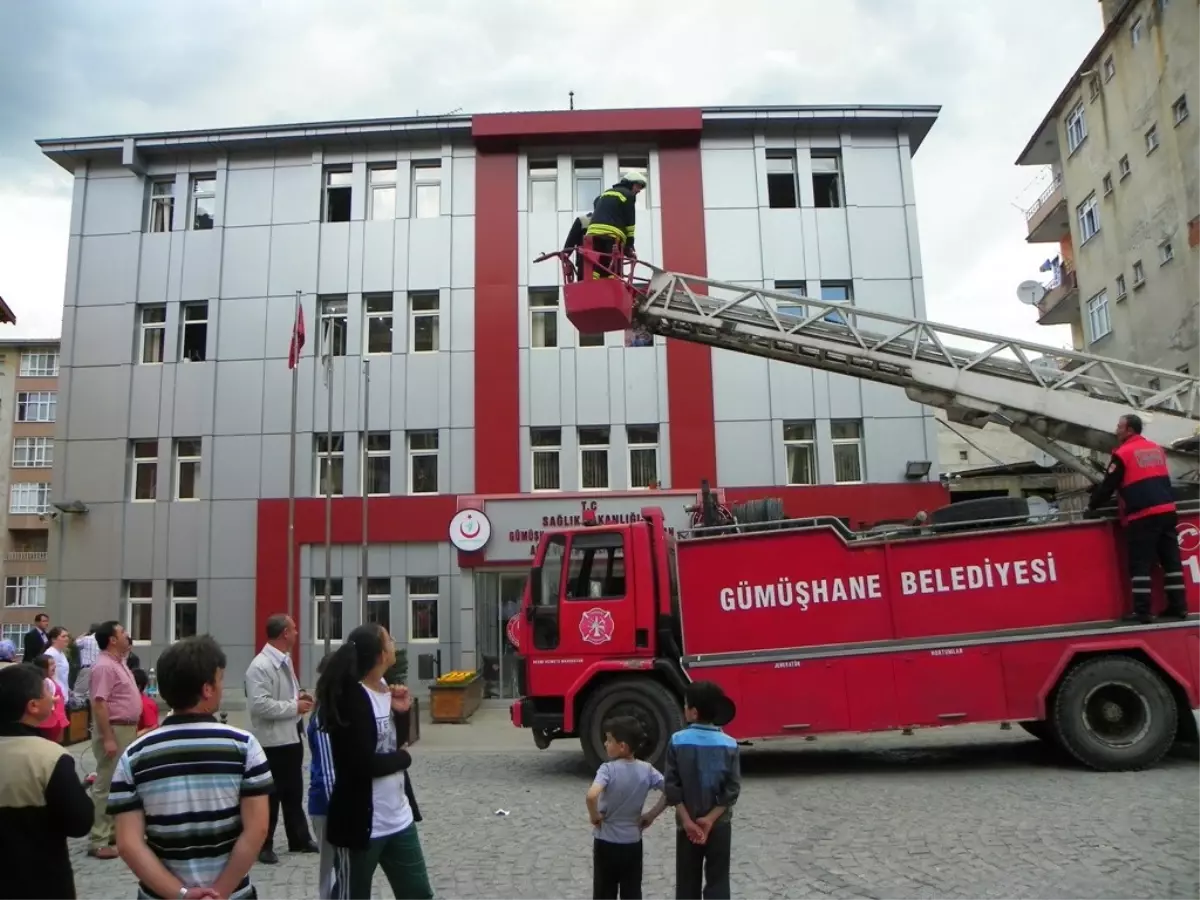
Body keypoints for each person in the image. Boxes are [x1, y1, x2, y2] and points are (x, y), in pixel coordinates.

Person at [109, 635, 272, 900]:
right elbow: (257, 829)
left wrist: (182, 894)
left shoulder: (135, 755)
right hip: (232, 894)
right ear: (207, 689)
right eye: (220, 679)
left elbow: (128, 844)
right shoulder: (244, 747)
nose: (222, 686)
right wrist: (219, 892)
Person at [316, 623, 433, 900]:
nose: (394, 642)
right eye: (389, 639)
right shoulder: (351, 697)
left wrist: (402, 713)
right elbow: (362, 763)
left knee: (419, 894)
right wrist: (403, 760)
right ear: (381, 654)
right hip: (361, 824)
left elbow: (395, 743)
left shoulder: (385, 689)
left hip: (399, 818)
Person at [0, 663, 94, 900]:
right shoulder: (49, 757)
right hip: (42, 882)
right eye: (46, 692)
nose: (53, 698)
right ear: (32, 706)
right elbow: (79, 822)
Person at [1087, 413, 1189, 624]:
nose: (1116, 430)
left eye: (1119, 427)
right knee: (1171, 563)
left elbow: (1109, 485)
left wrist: (1092, 505)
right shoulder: (1156, 449)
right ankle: (1178, 607)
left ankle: (1142, 612)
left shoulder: (1123, 453)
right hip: (1168, 511)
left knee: (1140, 565)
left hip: (1143, 515)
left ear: (1129, 430)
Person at [245, 614, 317, 863]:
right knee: (271, 795)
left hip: (291, 736)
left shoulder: (284, 661)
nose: (297, 633)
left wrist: (300, 697)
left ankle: (299, 837)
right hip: (271, 740)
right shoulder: (260, 666)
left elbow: (288, 694)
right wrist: (293, 707)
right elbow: (259, 706)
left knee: (293, 792)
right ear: (284, 633)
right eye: (294, 629)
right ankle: (264, 844)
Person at [664, 681, 741, 900]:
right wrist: (709, 819)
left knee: (687, 882)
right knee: (718, 880)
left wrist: (688, 821)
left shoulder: (677, 741)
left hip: (686, 825)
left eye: (686, 705)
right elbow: (733, 788)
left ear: (694, 712)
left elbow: (672, 785)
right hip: (719, 824)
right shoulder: (730, 744)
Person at [586, 715, 667, 900]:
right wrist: (652, 814)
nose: (605, 744)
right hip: (632, 842)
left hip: (606, 841)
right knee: (631, 890)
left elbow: (591, 795)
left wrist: (594, 816)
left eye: (608, 740)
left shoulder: (607, 770)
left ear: (622, 746)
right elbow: (671, 791)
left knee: (604, 891)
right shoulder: (647, 770)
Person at [88, 620, 142, 859]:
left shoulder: (118, 663)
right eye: (122, 632)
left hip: (126, 729)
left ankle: (111, 831)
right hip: (114, 729)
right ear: (111, 639)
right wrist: (108, 737)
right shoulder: (104, 667)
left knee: (120, 783)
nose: (126, 635)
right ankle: (98, 838)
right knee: (106, 783)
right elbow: (99, 704)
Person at [307, 654, 338, 900]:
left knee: (340, 867)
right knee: (329, 870)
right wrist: (339, 808)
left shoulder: (334, 710)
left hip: (332, 802)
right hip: (327, 805)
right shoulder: (324, 716)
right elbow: (328, 771)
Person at [585, 171, 648, 277]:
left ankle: (594, 286)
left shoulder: (606, 193)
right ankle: (611, 289)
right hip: (612, 235)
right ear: (630, 183)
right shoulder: (628, 195)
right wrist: (629, 245)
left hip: (593, 233)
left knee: (598, 264)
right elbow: (630, 222)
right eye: (637, 186)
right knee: (614, 266)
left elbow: (596, 203)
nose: (638, 190)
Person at [31, 654, 69, 743]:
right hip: (48, 721)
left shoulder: (50, 679)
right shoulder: (41, 682)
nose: (54, 666)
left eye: (54, 663)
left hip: (57, 718)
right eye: (51, 664)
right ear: (42, 668)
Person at [563, 197, 598, 279]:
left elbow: (569, 245)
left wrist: (565, 256)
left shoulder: (582, 220)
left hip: (584, 267)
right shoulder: (613, 223)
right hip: (608, 269)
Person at [45, 626, 71, 700]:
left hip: (63, 693)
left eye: (67, 636)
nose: (67, 638)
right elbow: (49, 677)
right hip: (55, 695)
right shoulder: (51, 654)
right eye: (63, 636)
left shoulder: (60, 653)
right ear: (53, 639)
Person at [132, 668, 159, 735]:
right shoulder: (134, 701)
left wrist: (134, 736)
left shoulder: (145, 703)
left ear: (138, 687)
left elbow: (153, 726)